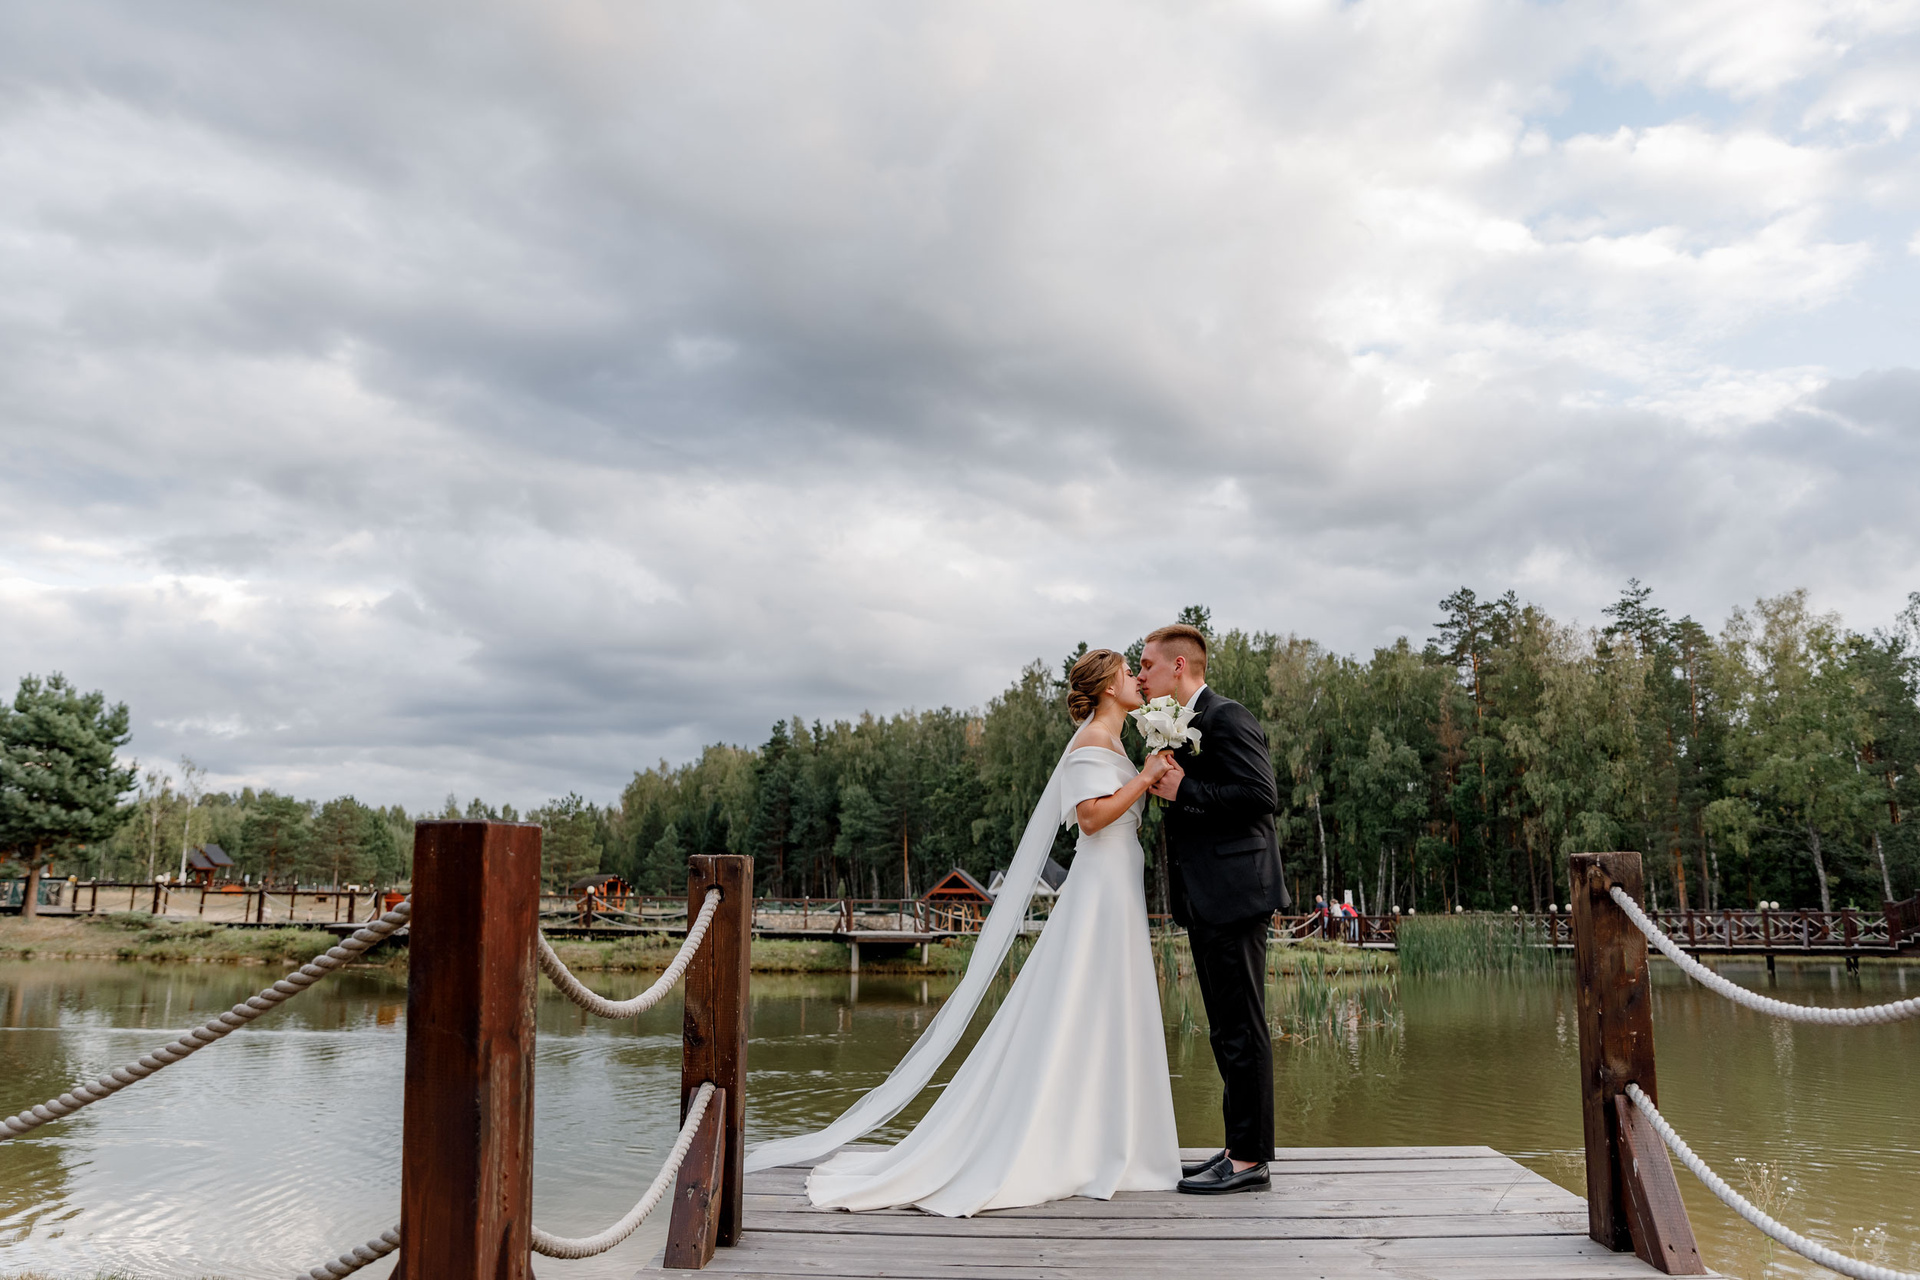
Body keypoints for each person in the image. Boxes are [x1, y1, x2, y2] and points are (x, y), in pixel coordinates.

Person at [743, 648, 1181, 1215]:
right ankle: (1063, 1142)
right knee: (1078, 999)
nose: (1137, 679)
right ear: (1105, 687)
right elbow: (1092, 819)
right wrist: (1145, 778)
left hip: (1121, 881)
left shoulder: (1118, 742)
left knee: (1108, 1004)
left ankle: (1107, 1139)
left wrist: (1154, 777)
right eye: (1127, 672)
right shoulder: (1092, 740)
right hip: (1100, 886)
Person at [1138, 622, 1287, 1195]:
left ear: (1179, 666)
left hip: (1236, 893)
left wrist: (1186, 792)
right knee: (1226, 1030)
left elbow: (1261, 795)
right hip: (1205, 898)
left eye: (1147, 664)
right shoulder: (1176, 727)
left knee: (1242, 1028)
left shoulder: (1227, 717)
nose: (1141, 674)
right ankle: (1236, 1147)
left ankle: (1250, 1161)